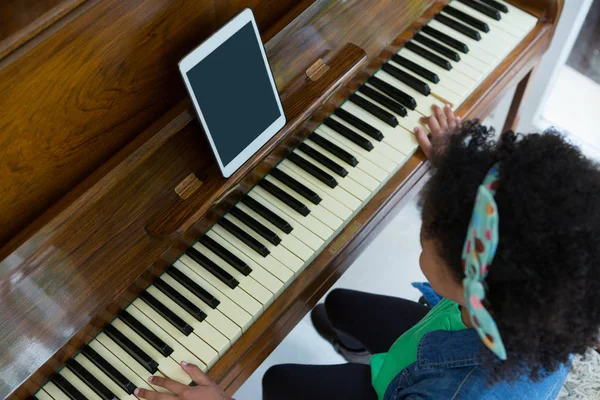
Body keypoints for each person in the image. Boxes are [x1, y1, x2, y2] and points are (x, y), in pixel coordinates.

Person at [134, 105, 600, 399]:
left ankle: (370, 373)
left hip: (419, 381)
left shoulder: (451, 395)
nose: (423, 226)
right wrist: (457, 166)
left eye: (431, 229)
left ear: (472, 286)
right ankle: (361, 351)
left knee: (278, 382)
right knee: (337, 304)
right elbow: (504, 211)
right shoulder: (542, 305)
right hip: (439, 343)